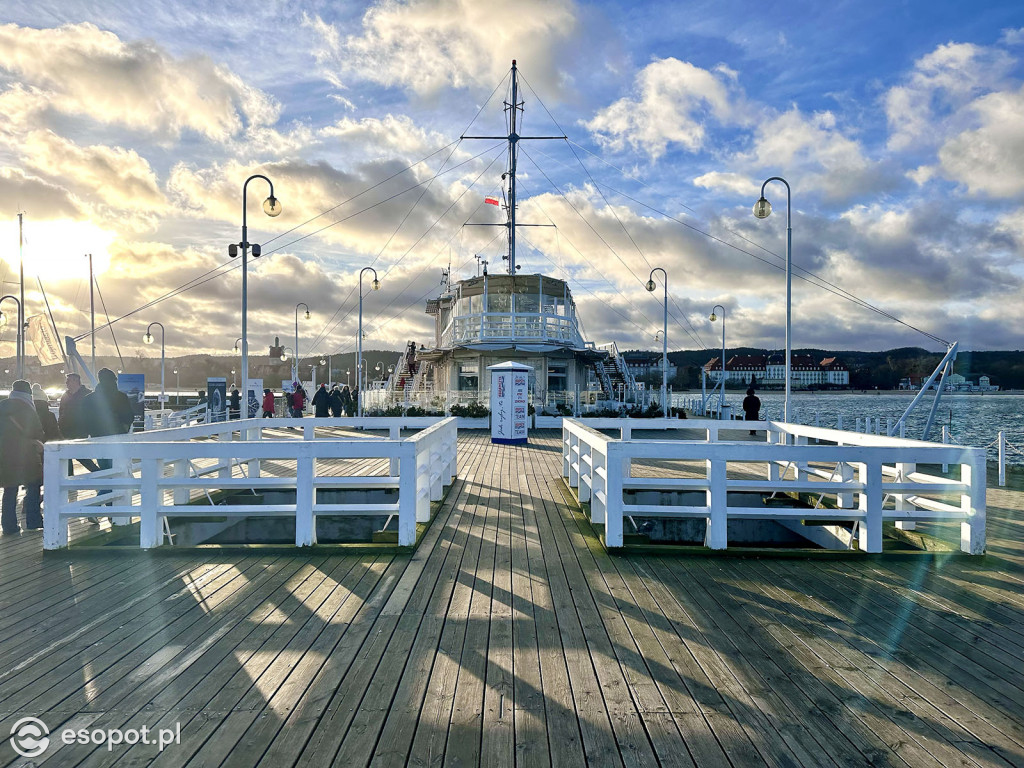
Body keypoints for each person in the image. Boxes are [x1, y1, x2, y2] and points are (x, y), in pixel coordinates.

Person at [83, 368, 135, 511]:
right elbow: (129, 417)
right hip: (117, 441)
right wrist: (122, 429)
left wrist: (92, 432)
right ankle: (101, 506)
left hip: (98, 441)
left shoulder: (89, 399)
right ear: (114, 381)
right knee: (116, 475)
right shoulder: (121, 397)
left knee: (106, 473)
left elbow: (84, 420)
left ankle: (107, 508)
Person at [0, 380, 44, 533]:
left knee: (10, 489)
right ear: (28, 393)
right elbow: (36, 431)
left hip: (5, 455)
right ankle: (33, 521)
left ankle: (8, 526)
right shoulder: (27, 408)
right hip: (26, 454)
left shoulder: (2, 405)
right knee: (33, 486)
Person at [59, 373, 100, 473]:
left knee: (79, 455)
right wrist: (60, 424)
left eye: (68, 381)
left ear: (75, 381)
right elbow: (61, 411)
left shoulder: (87, 394)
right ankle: (69, 479)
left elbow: (93, 413)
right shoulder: (65, 395)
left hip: (80, 430)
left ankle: (96, 472)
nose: (66, 383)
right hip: (65, 430)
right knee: (66, 455)